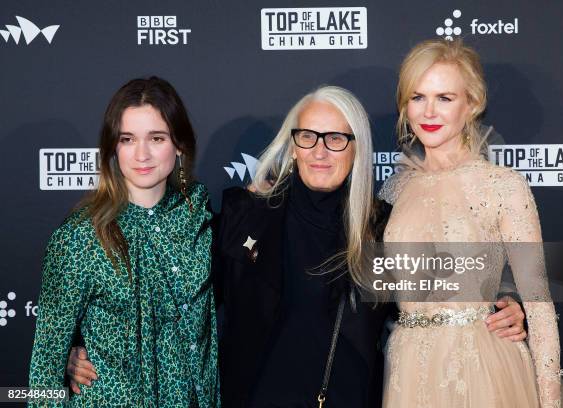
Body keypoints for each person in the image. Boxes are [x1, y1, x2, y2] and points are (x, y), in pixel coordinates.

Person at [66, 85, 527, 407]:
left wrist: (510, 296)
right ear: (293, 144)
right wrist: (83, 347)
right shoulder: (247, 214)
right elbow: (179, 300)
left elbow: (458, 277)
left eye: (335, 138)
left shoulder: (380, 227)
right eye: (307, 136)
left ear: (356, 147)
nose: (320, 150)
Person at [379, 39, 563, 407]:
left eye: (445, 98)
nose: (429, 112)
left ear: (472, 104)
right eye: (417, 97)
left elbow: (540, 306)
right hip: (407, 371)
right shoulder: (392, 190)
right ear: (404, 104)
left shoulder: (502, 184)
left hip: (482, 369)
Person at [29, 77, 220, 407]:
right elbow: (45, 368)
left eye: (156, 138)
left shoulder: (200, 218)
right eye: (127, 139)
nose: (142, 154)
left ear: (179, 144)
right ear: (113, 148)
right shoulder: (80, 237)